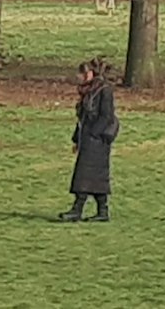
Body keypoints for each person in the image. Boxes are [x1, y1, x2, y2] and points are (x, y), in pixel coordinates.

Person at [61, 56, 118, 222]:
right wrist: (76, 139)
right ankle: (102, 211)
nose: (79, 77)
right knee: (95, 175)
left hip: (98, 140)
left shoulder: (104, 90)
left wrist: (94, 134)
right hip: (87, 137)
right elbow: (82, 118)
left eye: (82, 73)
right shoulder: (88, 91)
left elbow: (106, 115)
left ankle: (77, 209)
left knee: (85, 174)